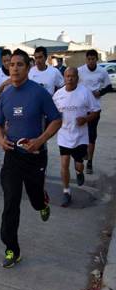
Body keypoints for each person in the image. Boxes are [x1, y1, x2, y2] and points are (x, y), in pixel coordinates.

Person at [0, 49, 62, 268]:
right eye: (11, 64)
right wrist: (0, 140)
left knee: (34, 200)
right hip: (12, 156)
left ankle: (42, 201)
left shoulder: (39, 93)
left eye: (19, 65)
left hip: (35, 157)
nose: (14, 68)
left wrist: (40, 141)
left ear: (28, 67)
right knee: (11, 201)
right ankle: (11, 248)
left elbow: (56, 120)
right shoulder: (5, 95)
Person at [53, 67, 100, 207]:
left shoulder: (85, 92)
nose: (69, 79)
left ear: (77, 78)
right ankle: (66, 192)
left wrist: (86, 119)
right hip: (64, 134)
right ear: (64, 77)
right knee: (64, 163)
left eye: (72, 76)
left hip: (80, 136)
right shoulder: (58, 95)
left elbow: (96, 111)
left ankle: (79, 172)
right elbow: (51, 113)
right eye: (67, 76)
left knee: (79, 165)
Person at [78, 49, 112, 174]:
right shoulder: (80, 71)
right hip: (81, 108)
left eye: (93, 59)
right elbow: (73, 84)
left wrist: (100, 92)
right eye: (89, 59)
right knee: (81, 134)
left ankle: (90, 163)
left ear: (96, 59)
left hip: (94, 108)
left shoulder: (102, 72)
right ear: (86, 59)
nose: (91, 61)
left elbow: (108, 86)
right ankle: (83, 154)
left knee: (92, 135)